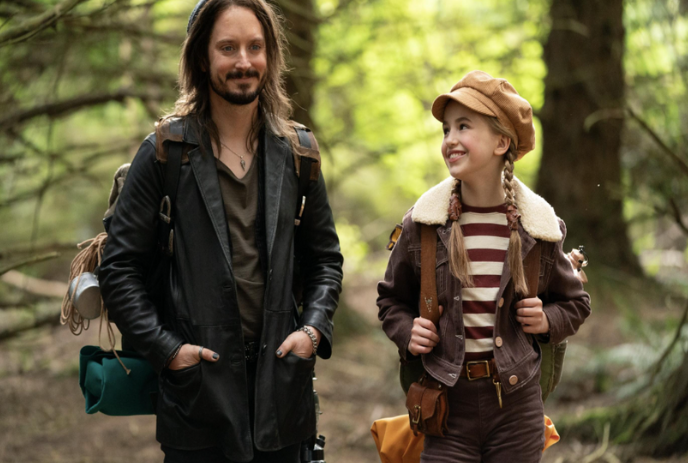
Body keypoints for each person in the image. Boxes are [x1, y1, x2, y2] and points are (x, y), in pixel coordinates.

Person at [99, 1, 343, 462]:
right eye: (227, 48)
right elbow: (119, 270)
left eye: (255, 46)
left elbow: (325, 260)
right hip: (197, 394)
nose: (244, 62)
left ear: (270, 55)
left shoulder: (299, 153)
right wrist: (169, 350)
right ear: (201, 57)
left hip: (283, 391)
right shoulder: (165, 154)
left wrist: (312, 331)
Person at [377, 71, 591, 462]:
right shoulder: (424, 224)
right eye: (445, 129)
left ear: (501, 142)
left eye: (464, 126)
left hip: (517, 406)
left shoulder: (538, 228)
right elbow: (391, 300)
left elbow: (576, 304)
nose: (450, 139)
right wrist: (408, 330)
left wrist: (546, 320)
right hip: (446, 401)